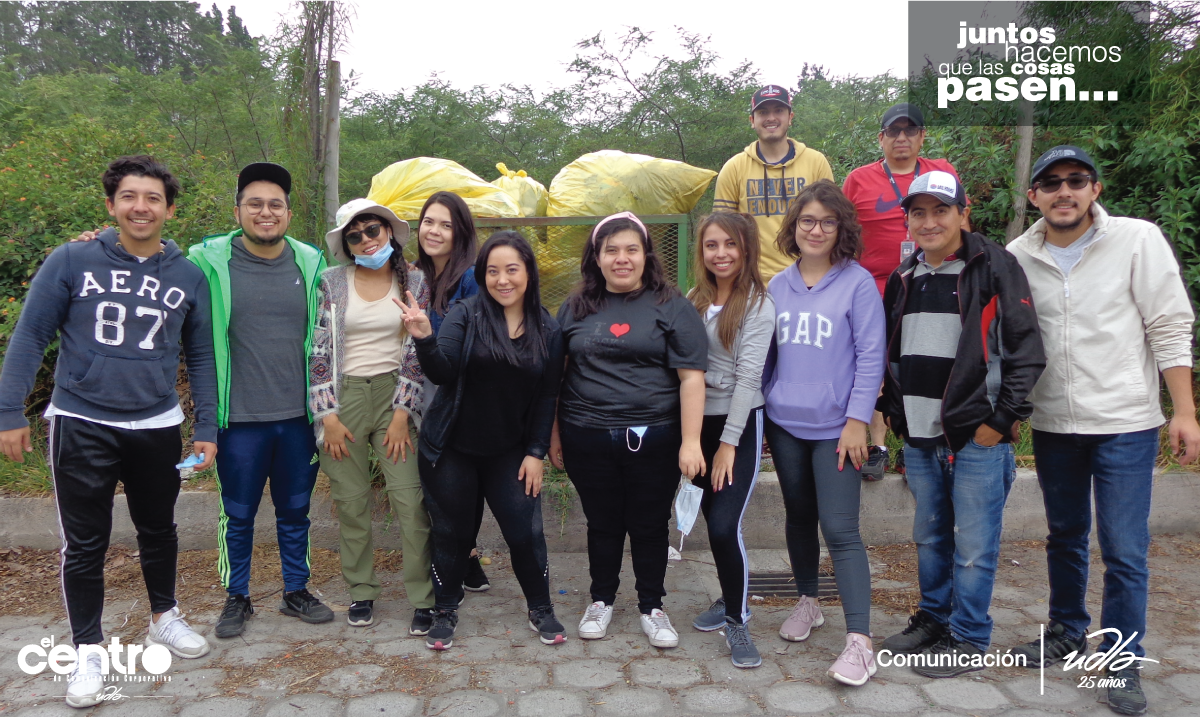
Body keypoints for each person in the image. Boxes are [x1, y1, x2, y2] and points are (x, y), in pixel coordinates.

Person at [0, 156, 217, 708]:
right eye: (129, 197)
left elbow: (200, 356)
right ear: (111, 205)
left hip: (157, 423)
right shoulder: (72, 259)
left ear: (170, 210)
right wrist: (8, 411)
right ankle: (88, 650)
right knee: (85, 542)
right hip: (82, 420)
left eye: (153, 198)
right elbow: (31, 336)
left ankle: (164, 617)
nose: (141, 207)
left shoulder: (189, 276)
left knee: (159, 528)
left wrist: (207, 425)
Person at [1006, 145, 1200, 715]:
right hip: (1054, 423)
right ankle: (1067, 631)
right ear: (1034, 196)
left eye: (1077, 180)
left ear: (1095, 189)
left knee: (1124, 549)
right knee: (1064, 535)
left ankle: (1121, 660)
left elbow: (1169, 324)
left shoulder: (1137, 240)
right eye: (1051, 183)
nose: (1064, 191)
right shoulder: (1019, 254)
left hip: (1125, 422)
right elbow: (1011, 338)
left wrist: (1184, 410)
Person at [878, 171, 1045, 677]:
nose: (929, 222)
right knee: (930, 536)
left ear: (962, 213)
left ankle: (969, 637)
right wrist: (896, 412)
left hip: (975, 435)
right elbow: (893, 350)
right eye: (918, 212)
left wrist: (1002, 419)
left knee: (973, 546)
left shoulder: (993, 266)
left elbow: (1025, 350)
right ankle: (933, 619)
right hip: (919, 432)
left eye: (941, 210)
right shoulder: (904, 275)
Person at [398, 231, 568, 650]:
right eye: (492, 271)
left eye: (512, 270)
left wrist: (536, 452)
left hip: (509, 450)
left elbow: (547, 395)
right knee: (453, 533)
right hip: (451, 447)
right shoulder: (466, 313)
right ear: (482, 276)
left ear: (528, 272)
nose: (502, 280)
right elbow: (442, 371)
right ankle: (445, 610)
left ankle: (541, 608)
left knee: (524, 533)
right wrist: (424, 337)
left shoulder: (548, 327)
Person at [549, 211, 708, 649]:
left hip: (655, 438)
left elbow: (692, 378)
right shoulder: (575, 307)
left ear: (645, 255)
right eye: (612, 250)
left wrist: (691, 442)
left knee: (649, 524)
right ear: (596, 258)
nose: (622, 258)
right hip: (586, 435)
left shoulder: (672, 305)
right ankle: (600, 600)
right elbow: (556, 376)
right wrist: (554, 434)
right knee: (602, 523)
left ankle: (652, 607)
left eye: (631, 249)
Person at [188, 163, 334, 636]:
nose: (265, 212)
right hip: (238, 420)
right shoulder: (206, 262)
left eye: (275, 204)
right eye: (255, 204)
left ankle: (296, 590)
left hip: (297, 419)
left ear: (288, 213)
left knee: (295, 511)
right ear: (238, 212)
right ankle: (237, 597)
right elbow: (153, 264)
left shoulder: (311, 263)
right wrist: (103, 244)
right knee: (238, 514)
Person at [759, 180, 885, 686]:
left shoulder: (857, 283)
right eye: (807, 220)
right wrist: (762, 413)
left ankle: (860, 642)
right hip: (785, 425)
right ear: (794, 227)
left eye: (827, 222)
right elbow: (767, 357)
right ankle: (808, 601)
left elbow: (872, 357)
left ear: (841, 229)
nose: (816, 230)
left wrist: (858, 421)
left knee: (840, 528)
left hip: (837, 429)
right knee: (798, 517)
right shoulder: (777, 285)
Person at [309, 198, 435, 634]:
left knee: (410, 501)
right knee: (351, 503)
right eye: (354, 235)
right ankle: (361, 591)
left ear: (389, 232)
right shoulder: (331, 283)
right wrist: (327, 415)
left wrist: (403, 413)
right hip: (343, 400)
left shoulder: (414, 280)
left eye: (372, 230)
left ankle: (423, 597)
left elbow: (416, 349)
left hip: (393, 398)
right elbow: (318, 349)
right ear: (346, 244)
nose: (365, 240)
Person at [842, 103, 967, 480]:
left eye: (910, 131)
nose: (902, 138)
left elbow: (962, 223)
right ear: (881, 138)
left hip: (930, 279)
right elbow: (843, 234)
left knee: (925, 359)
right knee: (875, 362)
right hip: (874, 286)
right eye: (893, 131)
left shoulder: (940, 171)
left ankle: (921, 442)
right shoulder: (859, 179)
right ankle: (878, 444)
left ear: (922, 137)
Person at [686, 212, 775, 669]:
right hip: (695, 424)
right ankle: (729, 594)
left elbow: (748, 378)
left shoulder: (758, 304)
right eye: (711, 245)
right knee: (708, 518)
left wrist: (728, 444)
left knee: (724, 525)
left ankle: (738, 620)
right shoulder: (695, 299)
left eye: (729, 244)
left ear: (745, 249)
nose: (720, 253)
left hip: (737, 425)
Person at [414, 191, 491, 593]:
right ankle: (464, 559)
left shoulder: (470, 278)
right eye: (429, 222)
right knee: (441, 485)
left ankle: (460, 561)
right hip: (419, 389)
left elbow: (473, 343)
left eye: (446, 225)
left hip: (459, 393)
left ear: (461, 232)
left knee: (458, 484)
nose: (435, 231)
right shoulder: (415, 276)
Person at [714, 84, 835, 282]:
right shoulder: (733, 168)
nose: (771, 118)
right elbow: (722, 232)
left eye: (778, 110)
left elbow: (831, 223)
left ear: (790, 117)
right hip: (752, 282)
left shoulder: (816, 163)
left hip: (808, 279)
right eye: (763, 112)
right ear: (752, 120)